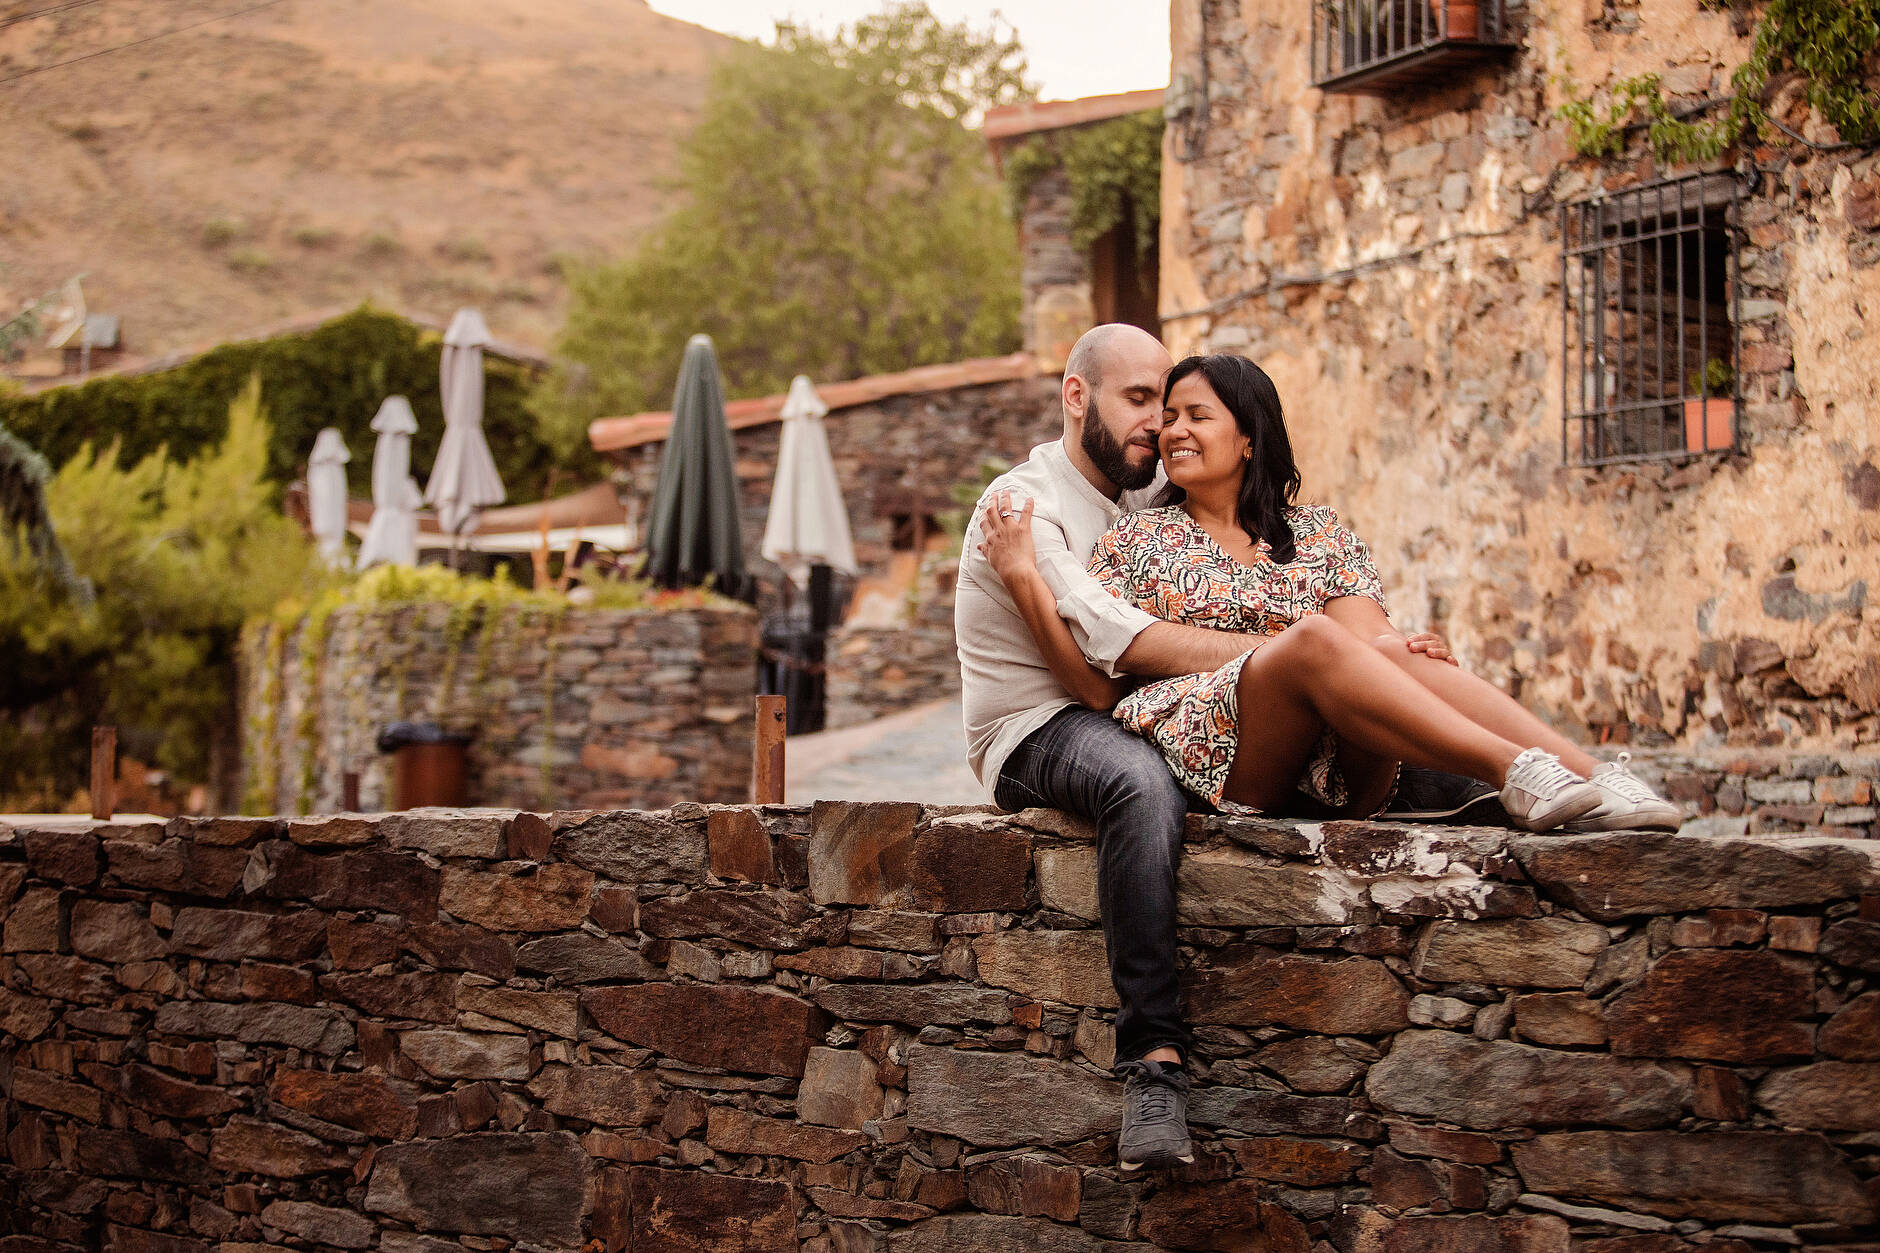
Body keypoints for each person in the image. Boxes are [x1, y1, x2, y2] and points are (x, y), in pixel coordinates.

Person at [955, 325, 1492, 1173]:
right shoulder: (1025, 505)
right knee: (1142, 785)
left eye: (1167, 405)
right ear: (1075, 396)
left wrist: (1359, 660)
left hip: (1141, 703)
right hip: (1037, 724)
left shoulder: (1140, 500)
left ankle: (1510, 784)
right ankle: (1153, 1063)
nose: (1157, 426)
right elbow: (1106, 667)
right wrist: (1305, 659)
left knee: (1392, 732)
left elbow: (1236, 584)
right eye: (1139, 401)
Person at [977, 351, 1684, 837]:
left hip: (1348, 764)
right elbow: (1106, 677)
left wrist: (1401, 654)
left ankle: (1600, 777)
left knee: (1396, 651)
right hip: (1228, 762)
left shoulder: (1317, 533)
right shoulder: (1132, 541)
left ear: (1248, 437)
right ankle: (1515, 769)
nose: (1173, 431)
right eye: (1169, 417)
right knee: (1315, 640)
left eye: (1197, 415)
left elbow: (1369, 638)